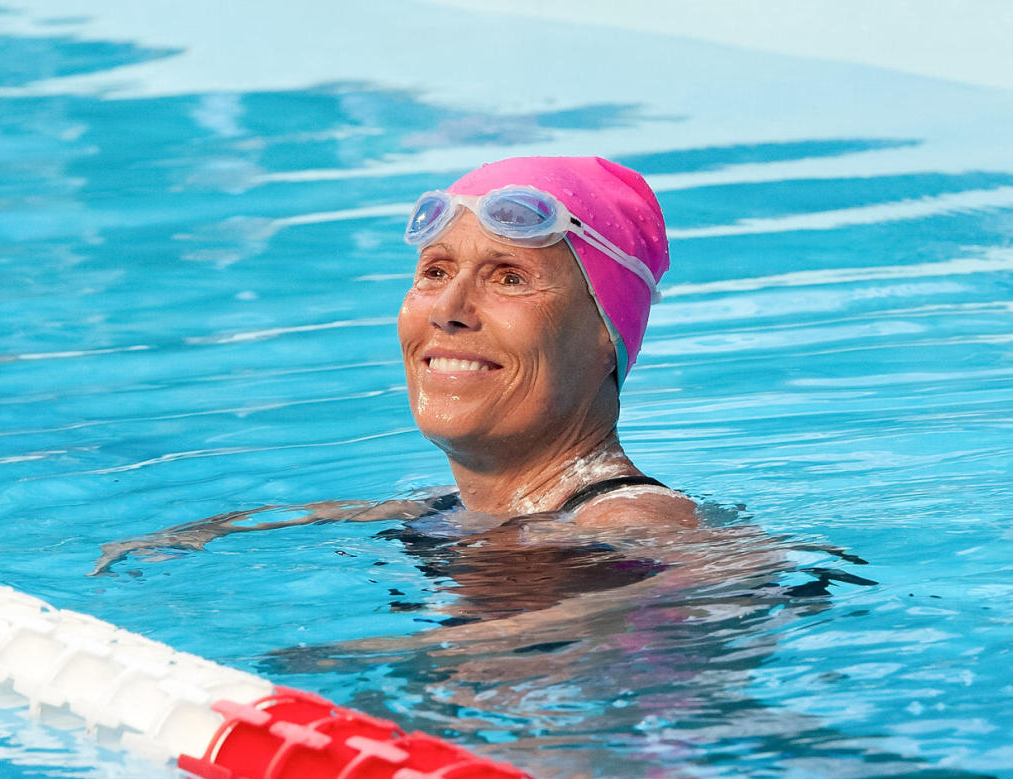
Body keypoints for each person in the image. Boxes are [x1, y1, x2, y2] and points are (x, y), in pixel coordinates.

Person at [94, 156, 697, 576]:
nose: (450, 311)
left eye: (510, 278)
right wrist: (194, 535)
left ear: (605, 338)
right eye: (435, 272)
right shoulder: (457, 510)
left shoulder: (639, 529)